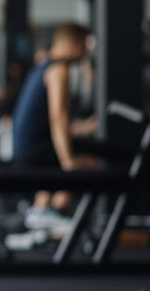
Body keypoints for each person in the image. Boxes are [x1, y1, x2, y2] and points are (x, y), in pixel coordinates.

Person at [10, 22, 99, 231]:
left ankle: (41, 211)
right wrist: (69, 164)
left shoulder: (44, 66)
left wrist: (81, 128)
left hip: (27, 148)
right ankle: (54, 212)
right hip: (35, 151)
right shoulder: (59, 69)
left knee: (73, 154)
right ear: (72, 43)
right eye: (85, 45)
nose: (87, 52)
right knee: (94, 165)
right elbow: (57, 118)